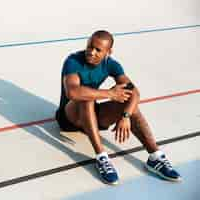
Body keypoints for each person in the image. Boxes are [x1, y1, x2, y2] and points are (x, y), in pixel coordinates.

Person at [55, 30, 181, 185]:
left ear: (108, 52)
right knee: (86, 98)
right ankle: (101, 158)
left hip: (92, 117)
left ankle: (155, 156)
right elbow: (73, 92)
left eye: (98, 50)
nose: (91, 52)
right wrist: (110, 93)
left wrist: (126, 116)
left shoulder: (111, 64)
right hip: (69, 118)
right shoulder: (73, 60)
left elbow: (134, 92)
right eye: (90, 46)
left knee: (129, 103)